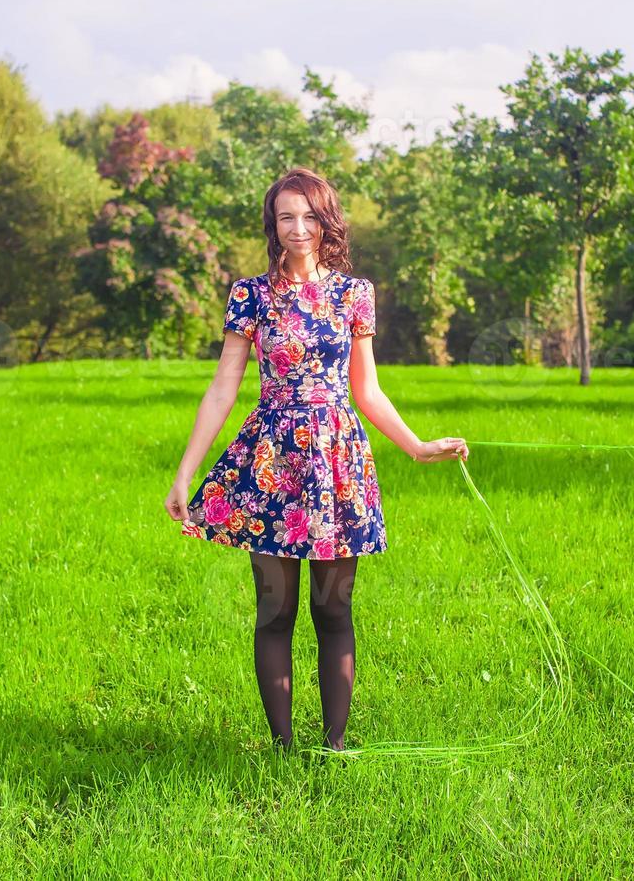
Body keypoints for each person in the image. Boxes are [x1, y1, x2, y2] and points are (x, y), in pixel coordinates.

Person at [164, 166, 468, 755]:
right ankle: (281, 748)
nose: (298, 228)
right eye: (286, 217)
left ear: (326, 221)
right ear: (273, 225)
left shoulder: (355, 295)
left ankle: (334, 744)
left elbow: (367, 390)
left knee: (335, 609)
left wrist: (417, 445)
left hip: (338, 462)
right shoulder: (250, 294)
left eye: (309, 216)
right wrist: (186, 470)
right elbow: (224, 386)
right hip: (270, 462)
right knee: (275, 610)